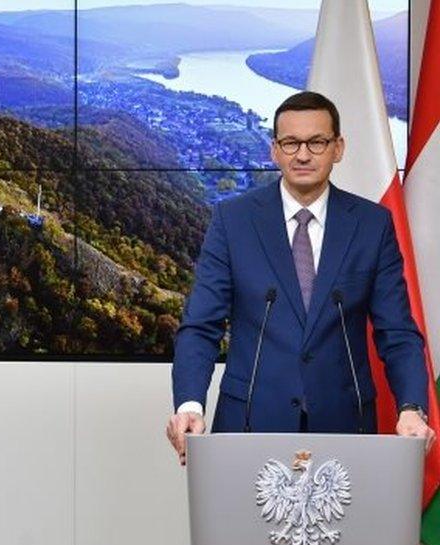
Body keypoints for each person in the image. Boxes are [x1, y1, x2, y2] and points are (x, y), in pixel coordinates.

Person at [166, 91, 435, 465]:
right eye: (291, 143)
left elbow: (398, 332)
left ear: (338, 148)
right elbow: (201, 326)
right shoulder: (233, 221)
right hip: (249, 425)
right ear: (275, 150)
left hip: (345, 427)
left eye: (317, 142)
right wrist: (190, 404)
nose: (303, 154)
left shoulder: (372, 225)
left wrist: (412, 407)